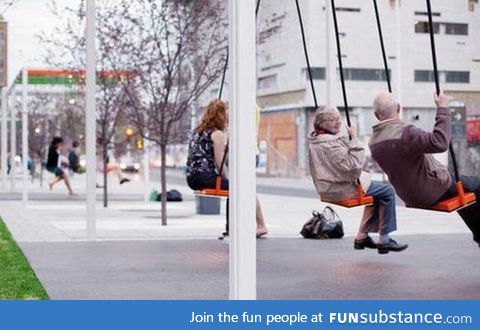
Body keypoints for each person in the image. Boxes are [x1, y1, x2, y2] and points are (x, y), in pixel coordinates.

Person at [369, 91, 480, 245]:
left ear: (376, 114)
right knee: (477, 185)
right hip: (432, 190)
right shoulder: (405, 133)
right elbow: (439, 142)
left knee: (465, 196)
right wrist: (442, 108)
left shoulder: (373, 142)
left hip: (409, 195)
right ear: (399, 108)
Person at [308, 106, 407, 254]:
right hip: (342, 189)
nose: (338, 123)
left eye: (339, 119)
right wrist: (354, 139)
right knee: (387, 192)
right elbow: (353, 167)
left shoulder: (316, 140)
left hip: (328, 187)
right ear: (322, 123)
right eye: (333, 120)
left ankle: (362, 237)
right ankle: (384, 240)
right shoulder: (329, 144)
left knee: (374, 195)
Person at [186, 99, 268, 238]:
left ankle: (231, 227)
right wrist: (229, 177)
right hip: (205, 177)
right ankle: (261, 225)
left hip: (192, 178)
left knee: (233, 189)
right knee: (243, 188)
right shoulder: (217, 134)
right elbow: (219, 163)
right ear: (221, 116)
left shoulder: (197, 131)